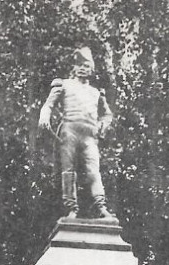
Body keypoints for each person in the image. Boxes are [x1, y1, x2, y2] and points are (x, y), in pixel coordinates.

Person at [38, 46, 113, 219]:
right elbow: (49, 104)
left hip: (89, 135)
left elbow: (107, 115)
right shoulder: (64, 84)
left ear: (91, 69)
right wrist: (44, 117)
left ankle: (101, 206)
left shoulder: (96, 93)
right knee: (68, 170)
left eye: (86, 65)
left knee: (94, 170)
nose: (82, 68)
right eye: (79, 64)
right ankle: (71, 208)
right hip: (69, 131)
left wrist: (102, 126)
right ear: (74, 67)